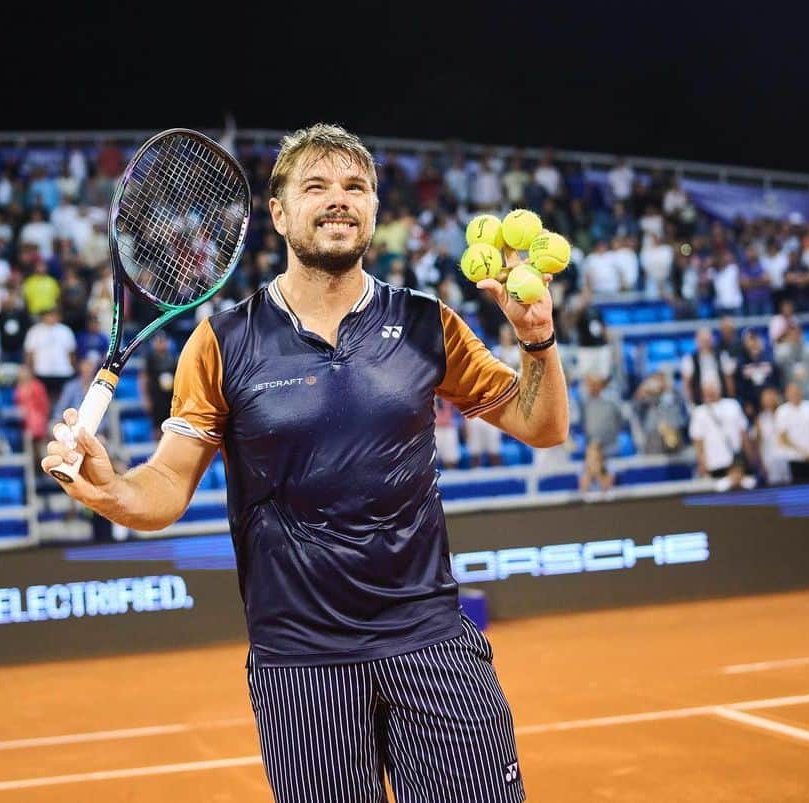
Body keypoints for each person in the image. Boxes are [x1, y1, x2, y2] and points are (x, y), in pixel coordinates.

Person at [42, 123, 570, 803]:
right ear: (280, 212)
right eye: (315, 186)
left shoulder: (424, 322)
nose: (338, 199)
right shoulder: (222, 341)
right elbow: (168, 485)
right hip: (300, 662)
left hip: (430, 640)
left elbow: (543, 424)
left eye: (355, 186)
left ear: (375, 210)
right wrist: (111, 489)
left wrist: (538, 342)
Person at [689, 377, 756, 491]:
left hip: (736, 460)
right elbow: (698, 441)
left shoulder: (733, 405)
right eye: (707, 390)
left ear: (719, 389)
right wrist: (702, 462)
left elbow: (743, 432)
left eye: (713, 389)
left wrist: (750, 456)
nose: (710, 392)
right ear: (703, 392)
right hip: (714, 462)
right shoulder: (699, 412)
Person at [775, 381, 809, 483]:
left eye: (796, 391)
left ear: (801, 391)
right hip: (795, 459)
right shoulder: (782, 411)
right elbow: (783, 439)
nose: (794, 394)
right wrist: (804, 453)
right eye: (791, 391)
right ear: (786, 394)